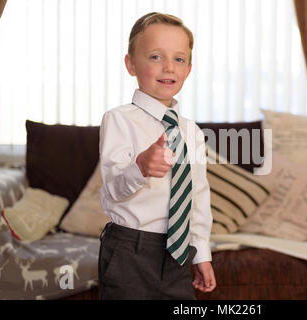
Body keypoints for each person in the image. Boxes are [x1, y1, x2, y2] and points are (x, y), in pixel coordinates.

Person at [98, 12, 216, 299]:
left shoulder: (192, 132)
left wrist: (201, 253)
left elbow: (197, 196)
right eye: (155, 56)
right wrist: (139, 166)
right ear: (131, 64)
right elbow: (113, 189)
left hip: (178, 254)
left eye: (179, 59)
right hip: (130, 251)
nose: (168, 67)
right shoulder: (118, 120)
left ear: (188, 69)